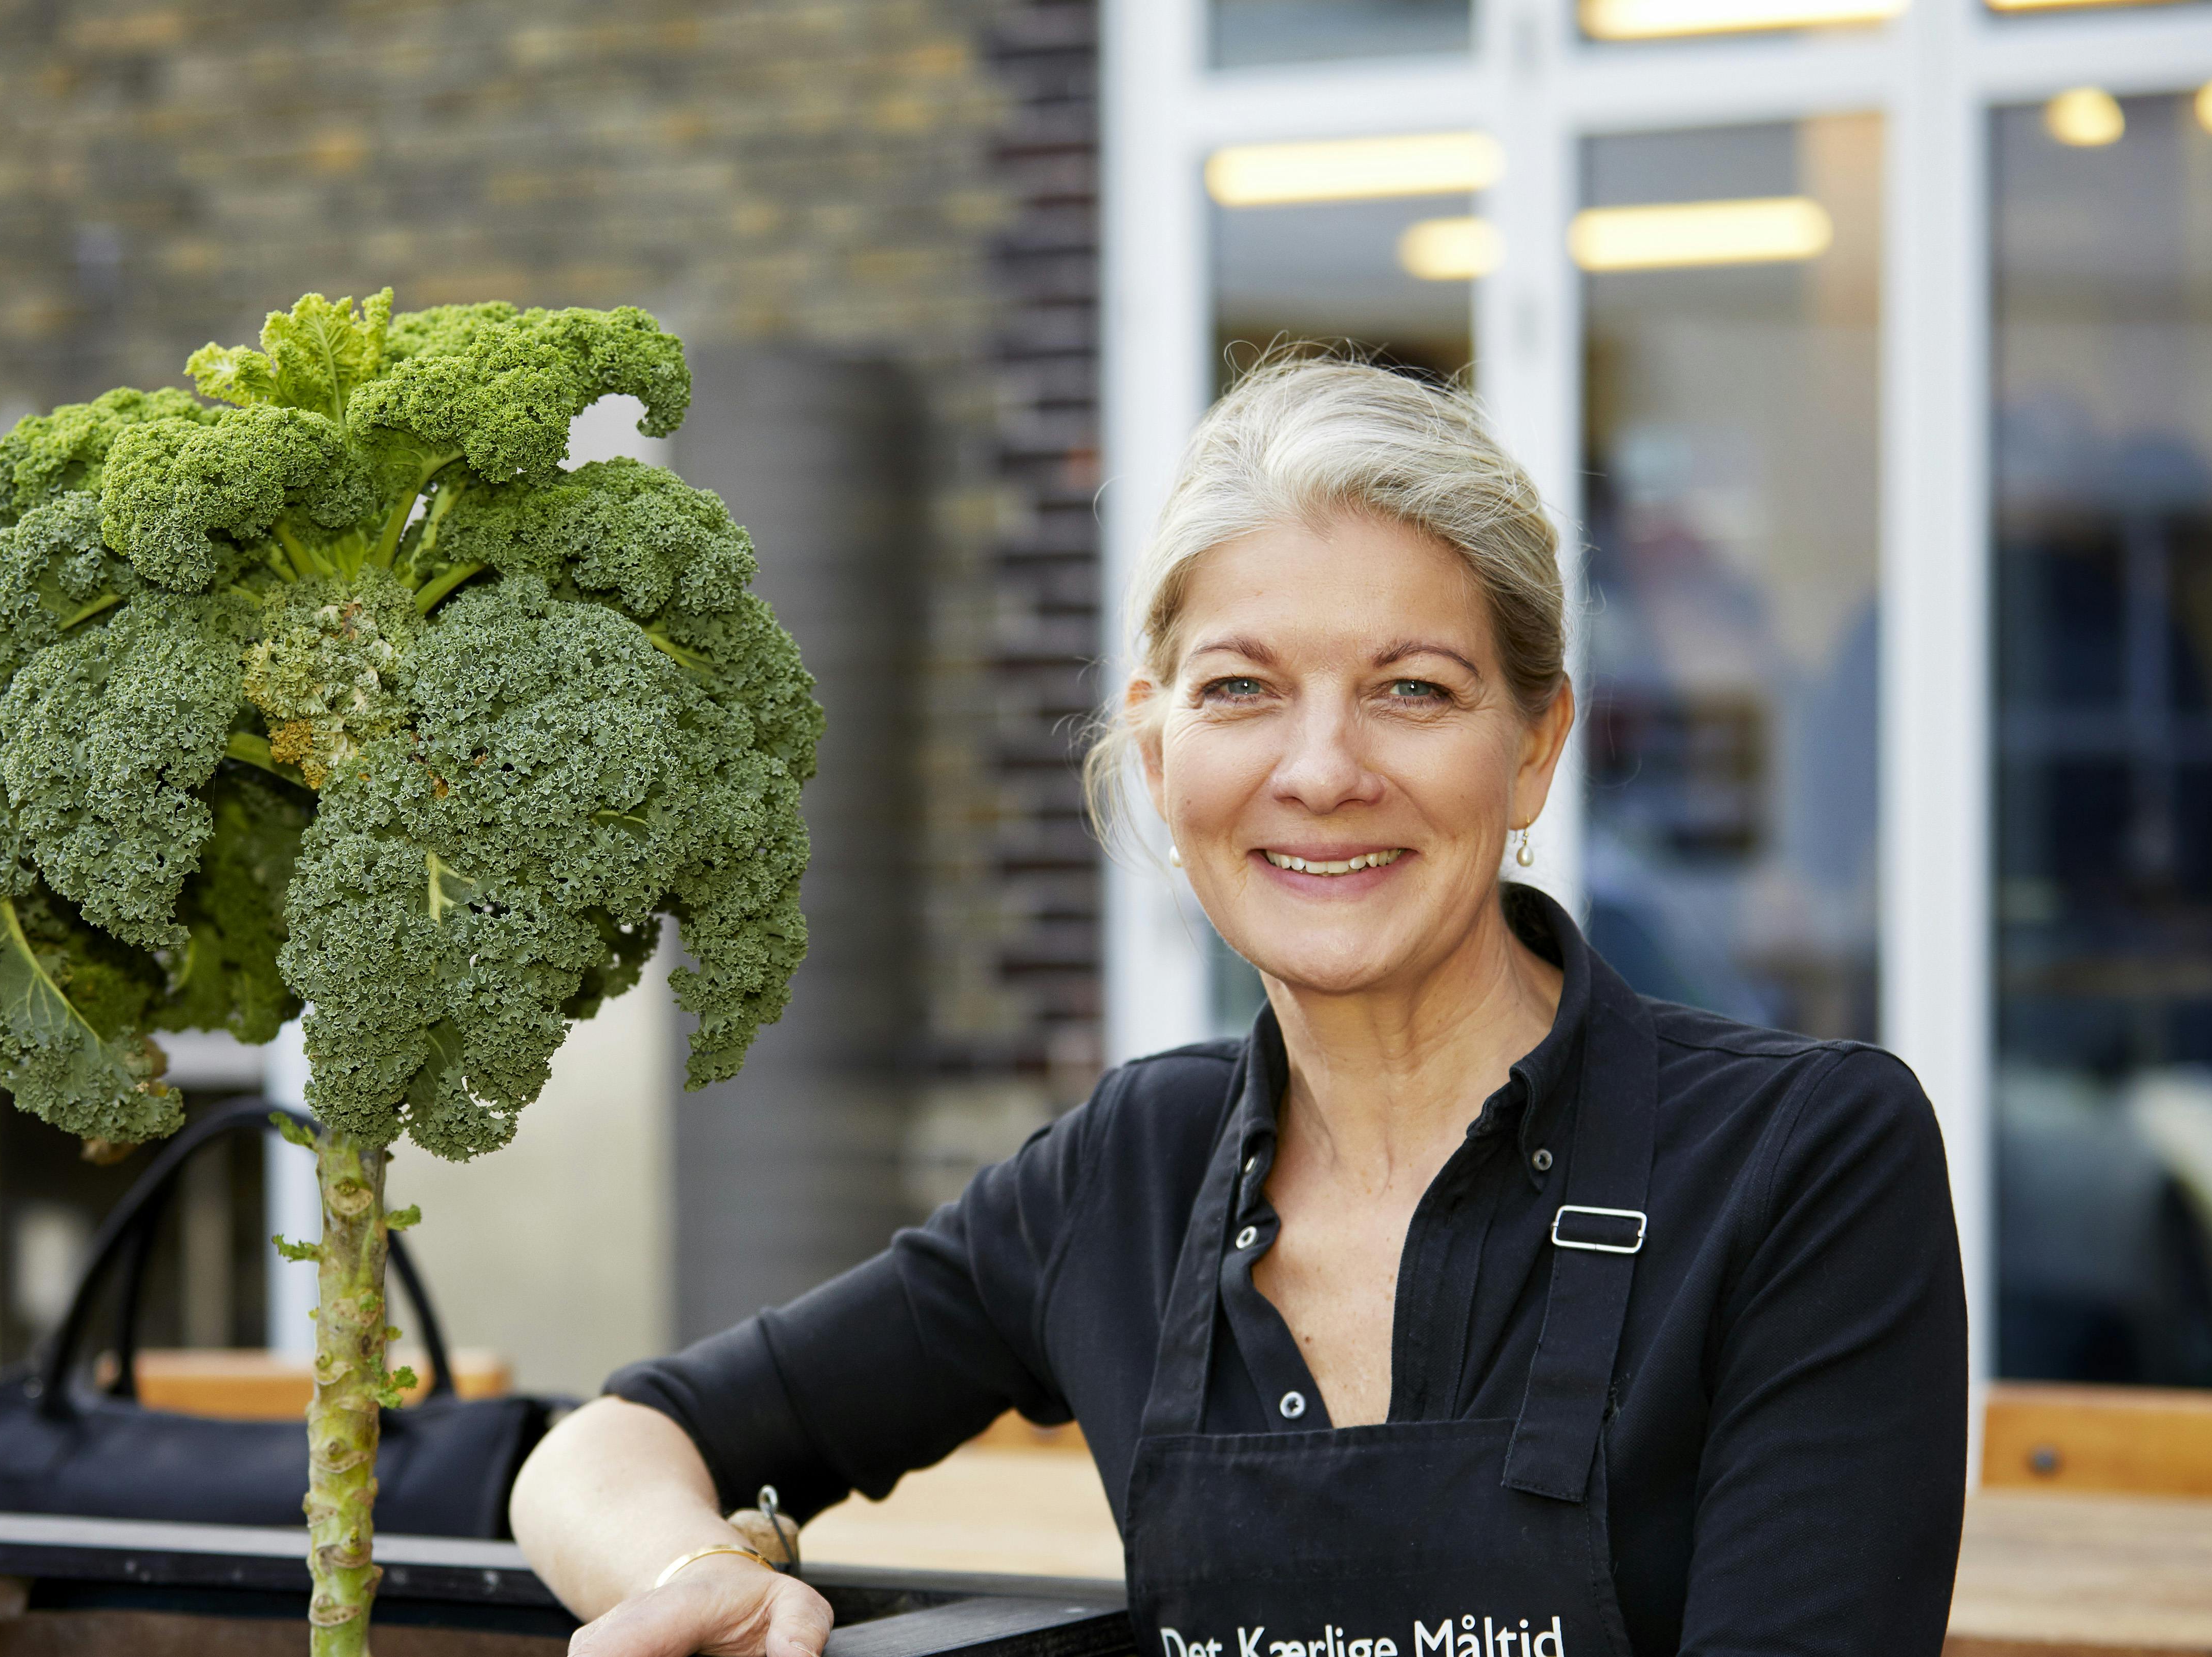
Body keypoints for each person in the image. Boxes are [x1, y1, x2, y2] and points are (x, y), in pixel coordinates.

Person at [509, 358, 1968, 1657]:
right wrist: (709, 1575)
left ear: (1535, 749)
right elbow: (609, 1445)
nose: (1321, 767)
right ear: (1157, 748)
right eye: (1241, 689)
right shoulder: (1133, 1165)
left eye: (1410, 687)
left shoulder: (1801, 1162)